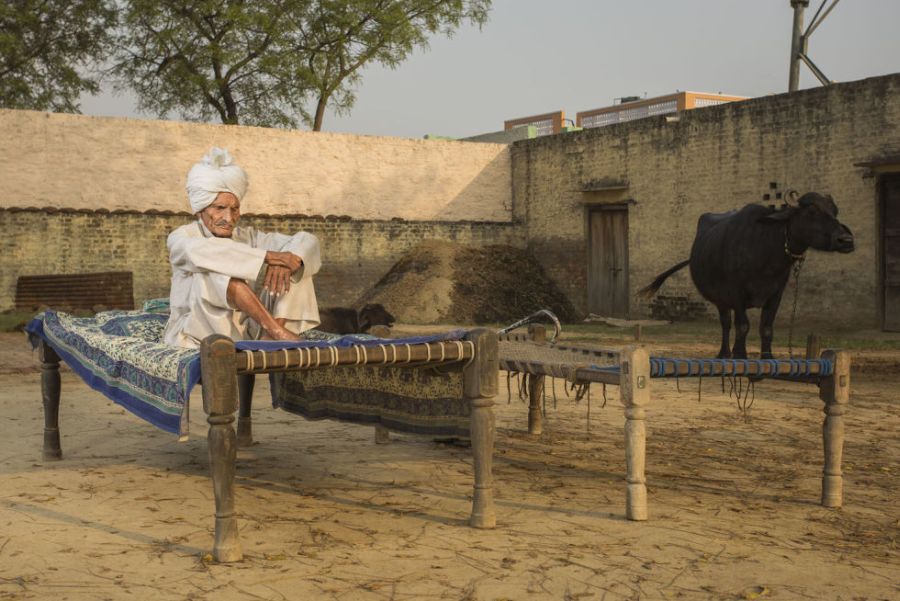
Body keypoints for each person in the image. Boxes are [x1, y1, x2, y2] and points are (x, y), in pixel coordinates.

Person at [162, 147, 321, 349]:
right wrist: (270, 257)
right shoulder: (181, 238)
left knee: (297, 266)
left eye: (235, 209)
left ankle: (271, 338)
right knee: (215, 270)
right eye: (220, 208)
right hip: (197, 333)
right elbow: (210, 252)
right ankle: (276, 332)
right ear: (201, 210)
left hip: (247, 330)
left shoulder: (247, 237)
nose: (229, 218)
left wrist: (287, 261)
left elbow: (307, 240)